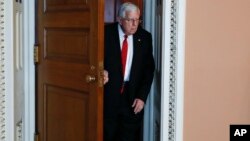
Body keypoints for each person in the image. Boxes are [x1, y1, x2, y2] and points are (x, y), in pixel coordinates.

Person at [103, 2, 155, 141]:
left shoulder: (144, 37)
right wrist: (101, 71)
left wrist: (142, 97)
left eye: (137, 20)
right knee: (107, 134)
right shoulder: (105, 34)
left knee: (128, 137)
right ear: (120, 19)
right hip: (108, 95)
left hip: (132, 97)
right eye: (130, 20)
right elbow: (94, 61)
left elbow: (148, 70)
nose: (134, 24)